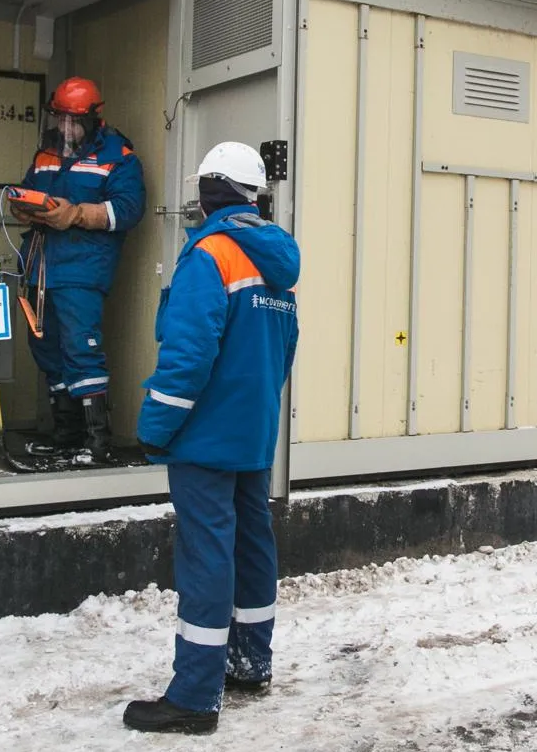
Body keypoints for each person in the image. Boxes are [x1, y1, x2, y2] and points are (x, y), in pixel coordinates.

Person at [124, 142, 300, 736]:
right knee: (252, 544)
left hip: (204, 437)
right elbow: (283, 353)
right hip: (253, 433)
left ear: (208, 194)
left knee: (207, 554)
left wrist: (154, 427)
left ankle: (195, 696)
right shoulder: (276, 262)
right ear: (252, 195)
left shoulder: (209, 255)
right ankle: (250, 662)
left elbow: (187, 356)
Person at [8, 76, 145, 464]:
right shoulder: (47, 153)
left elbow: (129, 210)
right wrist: (24, 204)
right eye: (60, 120)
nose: (66, 129)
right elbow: (29, 188)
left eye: (74, 122)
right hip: (40, 266)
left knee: (80, 348)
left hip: (82, 269)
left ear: (94, 118)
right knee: (47, 348)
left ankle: (97, 441)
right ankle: (66, 435)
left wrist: (77, 214)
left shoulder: (117, 156)